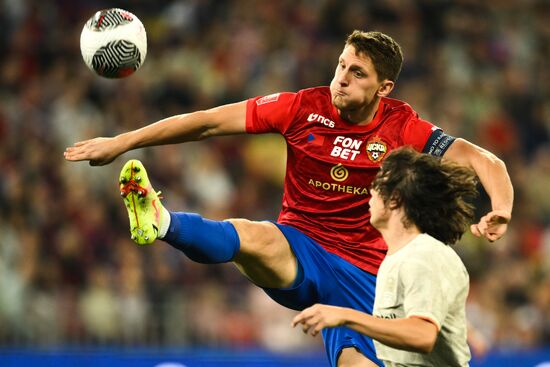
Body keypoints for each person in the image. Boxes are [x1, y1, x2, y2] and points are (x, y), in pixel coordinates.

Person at [64, 30, 513, 366]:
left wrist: (501, 208)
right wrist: (124, 140)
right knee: (253, 235)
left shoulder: (404, 127)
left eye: (357, 74)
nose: (341, 79)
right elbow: (207, 122)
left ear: (384, 89)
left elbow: (483, 159)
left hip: (366, 276)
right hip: (301, 245)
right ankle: (161, 223)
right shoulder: (302, 107)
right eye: (341, 66)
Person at [292, 147, 478, 367]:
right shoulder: (395, 259)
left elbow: (423, 335)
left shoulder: (425, 255)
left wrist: (346, 316)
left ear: (394, 199)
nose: (370, 191)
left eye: (377, 185)